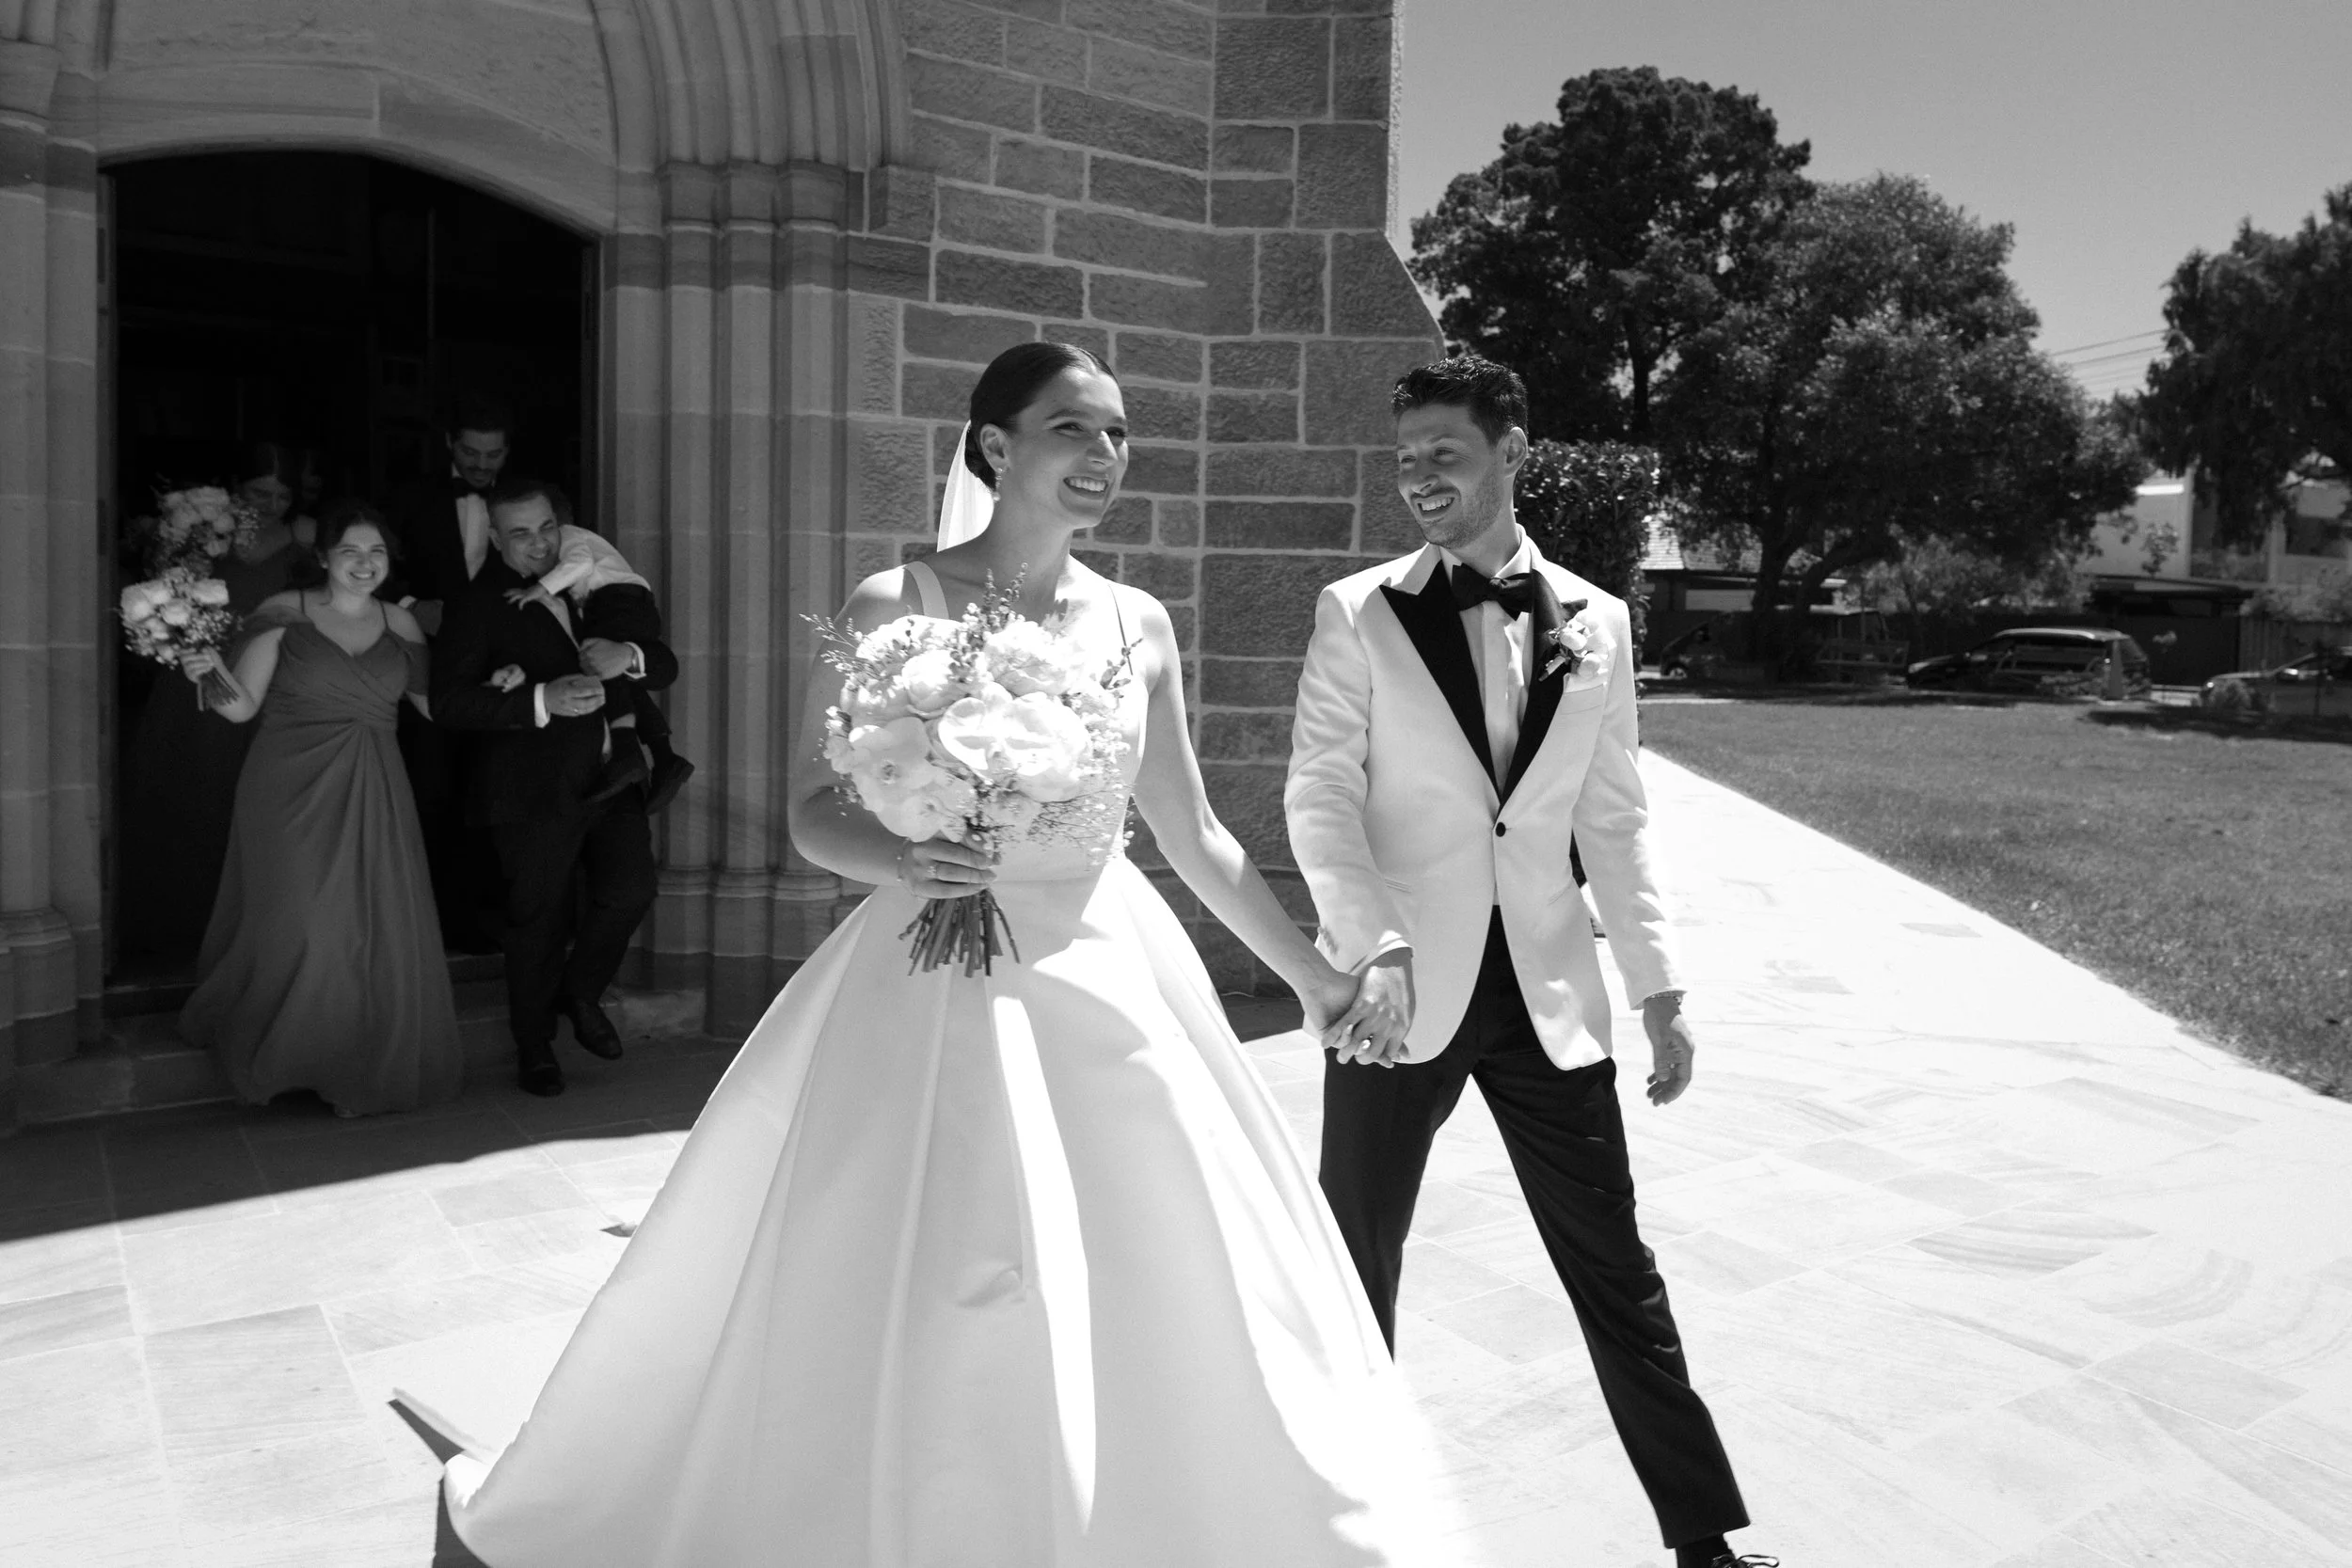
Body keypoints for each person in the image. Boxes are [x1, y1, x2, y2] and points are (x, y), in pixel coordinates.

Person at [437, 343, 1479, 1566]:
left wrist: (1316, 975)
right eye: (1072, 430)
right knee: (935, 1267)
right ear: (992, 446)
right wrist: (906, 854)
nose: (1103, 457)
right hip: (930, 974)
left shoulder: (1138, 623)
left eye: (1118, 435)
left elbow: (1191, 833)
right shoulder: (897, 603)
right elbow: (815, 808)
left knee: (1157, 1269)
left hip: (1107, 974)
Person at [1287, 356, 1771, 1568]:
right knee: (1355, 1261)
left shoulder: (1599, 618)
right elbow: (1319, 801)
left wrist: (1658, 986)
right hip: (1401, 990)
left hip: (1552, 995)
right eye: (1405, 459)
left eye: (1443, 452)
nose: (1419, 479)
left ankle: (1705, 1539)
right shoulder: (1356, 612)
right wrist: (1372, 946)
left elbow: (1611, 816)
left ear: (1511, 450)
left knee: (1616, 1267)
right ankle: (1346, 1530)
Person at [175, 501, 465, 1117]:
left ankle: (348, 1057)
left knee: (366, 926)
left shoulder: (402, 627)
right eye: (352, 551)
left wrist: (515, 684)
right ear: (326, 557)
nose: (365, 564)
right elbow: (241, 706)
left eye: (377, 552)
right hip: (287, 787)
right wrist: (208, 672)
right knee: (301, 921)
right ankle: (284, 1058)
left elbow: (435, 708)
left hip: (375, 782)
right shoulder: (284, 613)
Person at [429, 478, 675, 1098]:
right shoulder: (478, 602)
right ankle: (534, 1047)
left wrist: (628, 655)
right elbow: (449, 702)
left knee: (631, 888)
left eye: (545, 528)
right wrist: (543, 698)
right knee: (536, 920)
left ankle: (579, 990)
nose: (538, 544)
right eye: (520, 533)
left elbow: (663, 663)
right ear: (494, 537)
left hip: (609, 775)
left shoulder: (590, 577)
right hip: (530, 786)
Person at [117, 440, 314, 965]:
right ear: (235, 488)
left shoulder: (306, 537)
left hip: (267, 676)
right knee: (195, 792)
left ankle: (252, 932)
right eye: (259, 491)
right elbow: (168, 586)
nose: (271, 503)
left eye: (281, 494)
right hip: (199, 670)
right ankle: (180, 927)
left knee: (253, 802)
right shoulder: (202, 531)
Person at [387, 389, 517, 954]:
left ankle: (488, 917)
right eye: (471, 453)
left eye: (492, 456)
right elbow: (372, 567)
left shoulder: (523, 505)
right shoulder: (408, 498)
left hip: (501, 673)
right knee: (432, 792)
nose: (481, 465)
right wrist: (415, 606)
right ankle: (429, 921)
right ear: (449, 444)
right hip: (427, 671)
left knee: (494, 796)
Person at [501, 523, 694, 812]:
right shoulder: (567, 543)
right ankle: (665, 757)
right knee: (619, 679)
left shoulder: (569, 535)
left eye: (544, 528)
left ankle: (626, 750)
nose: (539, 542)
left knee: (598, 661)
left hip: (616, 600)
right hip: (623, 603)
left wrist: (539, 589)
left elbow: (580, 564)